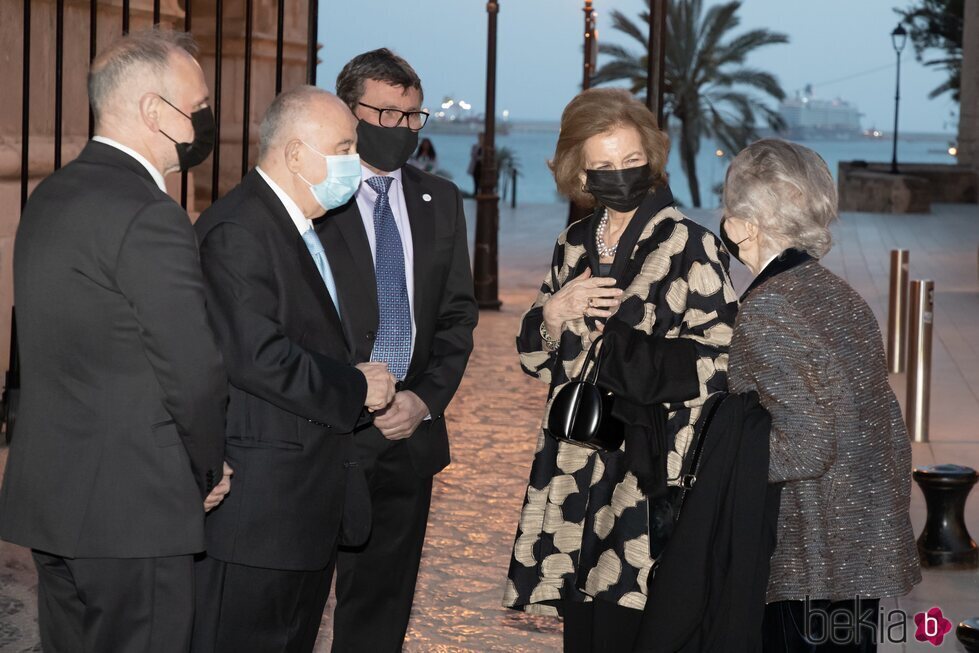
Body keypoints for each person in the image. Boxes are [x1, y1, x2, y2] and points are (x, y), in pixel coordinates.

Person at [0, 29, 230, 652]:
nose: (208, 117)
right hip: (135, 509)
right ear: (159, 113)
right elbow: (193, 370)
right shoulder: (148, 214)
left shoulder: (49, 195)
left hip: (55, 498)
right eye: (200, 102)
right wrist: (206, 468)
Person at [502, 87, 738, 652]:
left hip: (646, 467)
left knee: (631, 626)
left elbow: (725, 358)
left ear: (652, 158)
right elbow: (534, 359)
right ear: (578, 173)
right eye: (603, 165)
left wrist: (628, 356)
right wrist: (554, 314)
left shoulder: (691, 247)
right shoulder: (573, 244)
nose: (620, 174)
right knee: (584, 632)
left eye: (632, 161)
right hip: (574, 462)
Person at [190, 86, 397, 653]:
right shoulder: (239, 230)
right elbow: (258, 356)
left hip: (302, 512)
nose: (356, 161)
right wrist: (357, 386)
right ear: (298, 154)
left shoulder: (302, 225)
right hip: (260, 518)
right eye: (345, 146)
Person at [720, 139, 921, 652]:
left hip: (811, 556)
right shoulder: (838, 293)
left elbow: (807, 445)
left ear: (742, 226)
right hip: (856, 543)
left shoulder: (767, 310)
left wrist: (721, 461)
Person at [319, 48, 478, 652]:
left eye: (412, 116)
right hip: (326, 431)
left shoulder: (440, 200)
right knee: (296, 596)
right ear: (349, 111)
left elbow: (458, 316)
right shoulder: (315, 199)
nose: (401, 129)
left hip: (407, 437)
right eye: (385, 114)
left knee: (382, 606)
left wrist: (423, 400)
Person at [467, 132, 483, 196]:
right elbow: (473, 155)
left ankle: (480, 195)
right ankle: (475, 195)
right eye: (480, 137)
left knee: (481, 182)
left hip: (482, 167)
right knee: (475, 182)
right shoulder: (475, 146)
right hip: (476, 167)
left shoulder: (485, 147)